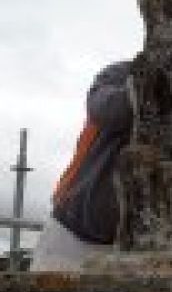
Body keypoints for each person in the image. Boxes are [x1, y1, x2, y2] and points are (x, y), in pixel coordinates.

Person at [31, 61, 134, 272]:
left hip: (126, 247)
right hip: (70, 232)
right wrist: (148, 84)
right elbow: (106, 109)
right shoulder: (120, 74)